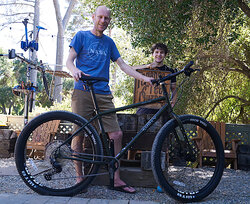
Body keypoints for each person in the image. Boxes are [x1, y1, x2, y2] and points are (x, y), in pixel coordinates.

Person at [66, 5, 154, 194]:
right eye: (100, 17)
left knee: (116, 135)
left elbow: (123, 65)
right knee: (79, 135)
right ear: (93, 17)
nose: (103, 21)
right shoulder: (81, 36)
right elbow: (69, 60)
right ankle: (79, 179)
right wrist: (74, 71)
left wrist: (145, 78)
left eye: (107, 18)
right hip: (82, 91)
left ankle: (115, 179)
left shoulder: (109, 42)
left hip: (103, 92)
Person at [134, 43, 177, 116]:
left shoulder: (170, 71)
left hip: (162, 109)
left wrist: (172, 104)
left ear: (165, 55)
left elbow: (174, 89)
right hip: (144, 108)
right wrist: (147, 66)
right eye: (156, 52)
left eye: (162, 52)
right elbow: (129, 69)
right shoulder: (145, 69)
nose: (159, 55)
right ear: (152, 54)